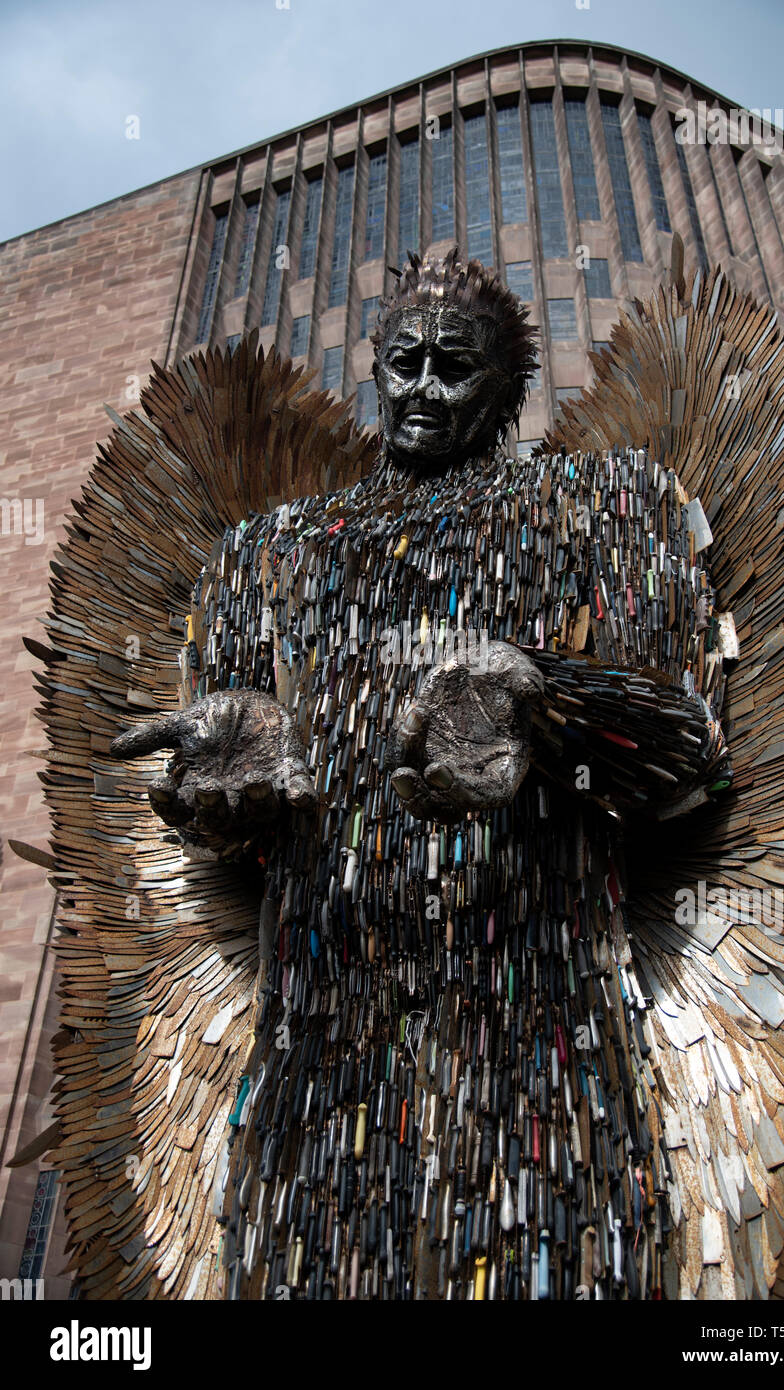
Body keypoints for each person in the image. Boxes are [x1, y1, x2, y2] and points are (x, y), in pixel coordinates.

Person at [110, 249, 734, 1300]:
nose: (426, 389)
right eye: (406, 362)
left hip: (545, 1052)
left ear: (509, 386)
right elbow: (230, 813)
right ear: (374, 367)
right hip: (323, 1065)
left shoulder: (607, 509)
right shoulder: (266, 556)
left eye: (457, 366)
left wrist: (550, 698)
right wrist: (227, 789)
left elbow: (695, 761)